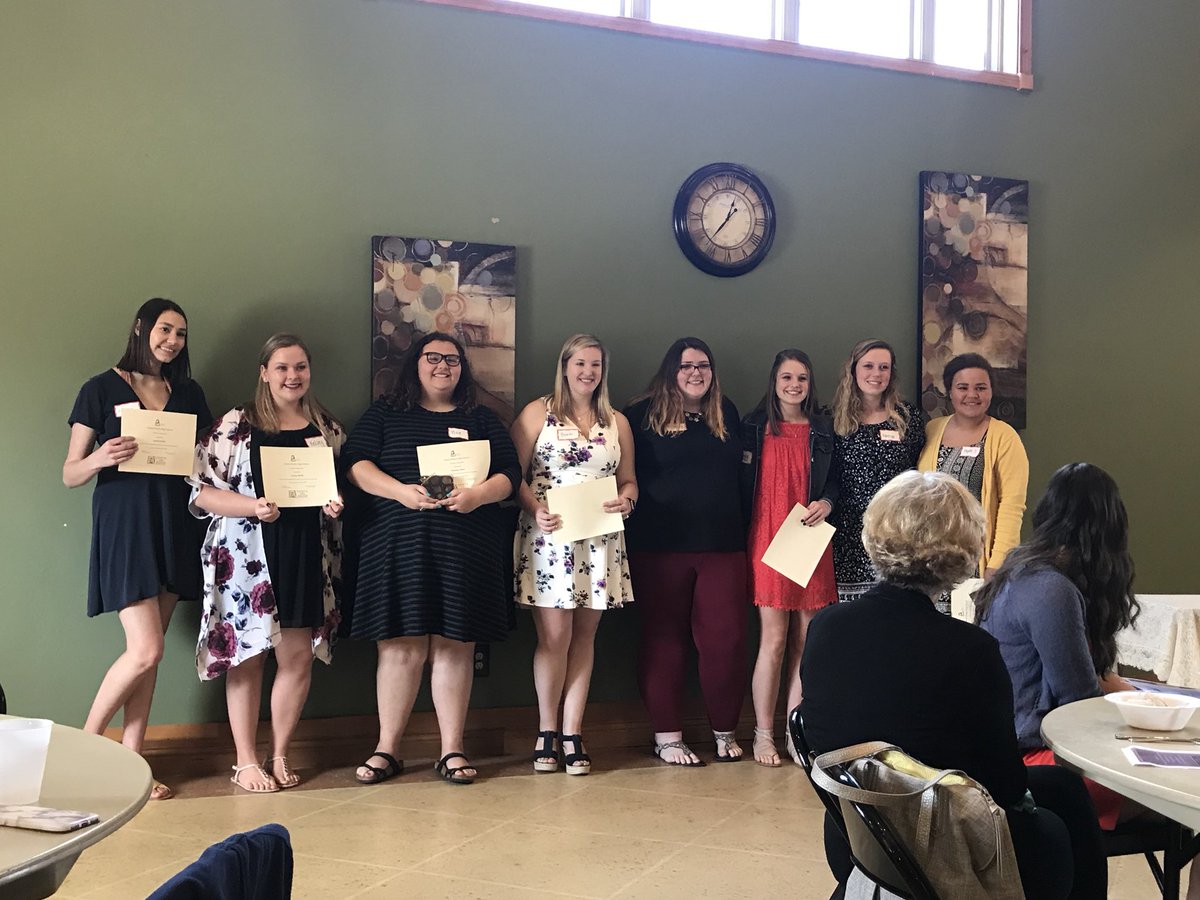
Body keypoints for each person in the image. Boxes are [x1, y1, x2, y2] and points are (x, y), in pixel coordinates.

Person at [801, 471, 1107, 900]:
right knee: (1057, 820)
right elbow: (1004, 786)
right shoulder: (970, 650)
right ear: (961, 550)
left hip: (858, 833)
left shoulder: (826, 627)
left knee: (1064, 789)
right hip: (948, 847)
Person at [343, 331, 520, 786]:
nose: (444, 366)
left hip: (464, 551)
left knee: (455, 646)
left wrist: (478, 494)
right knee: (399, 648)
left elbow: (510, 474)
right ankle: (388, 749)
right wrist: (400, 492)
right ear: (415, 364)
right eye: (433, 358)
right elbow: (356, 463)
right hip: (397, 547)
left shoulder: (480, 417)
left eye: (453, 360)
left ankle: (452, 750)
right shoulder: (386, 412)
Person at [64, 298, 212, 801]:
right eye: (165, 329)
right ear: (141, 328)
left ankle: (132, 766)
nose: (172, 340)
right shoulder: (99, 388)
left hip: (175, 525)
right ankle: (84, 752)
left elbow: (206, 459)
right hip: (125, 525)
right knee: (145, 650)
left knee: (147, 656)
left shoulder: (188, 391)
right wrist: (101, 455)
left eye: (182, 334)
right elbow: (69, 473)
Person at [190, 334, 344, 793]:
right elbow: (200, 491)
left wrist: (334, 505)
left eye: (300, 367)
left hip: (303, 551)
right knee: (247, 657)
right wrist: (251, 506)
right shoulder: (236, 425)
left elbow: (333, 487)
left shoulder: (325, 427)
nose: (292, 376)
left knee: (296, 658)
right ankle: (244, 760)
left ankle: (279, 753)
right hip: (246, 556)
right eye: (282, 367)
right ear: (264, 372)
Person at [512, 334, 637, 776]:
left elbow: (629, 481)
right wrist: (536, 509)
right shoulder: (536, 413)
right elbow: (513, 475)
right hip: (549, 539)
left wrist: (627, 501)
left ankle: (573, 731)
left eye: (596, 365)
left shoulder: (615, 421)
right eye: (580, 363)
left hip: (600, 542)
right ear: (564, 366)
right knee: (554, 638)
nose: (588, 372)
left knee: (585, 639)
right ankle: (546, 730)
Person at [624, 337, 747, 766]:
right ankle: (667, 736)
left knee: (725, 641)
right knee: (663, 640)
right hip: (659, 547)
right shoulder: (639, 415)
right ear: (670, 371)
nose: (696, 373)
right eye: (686, 366)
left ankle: (725, 729)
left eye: (704, 366)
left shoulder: (726, 412)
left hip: (724, 547)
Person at [741, 349, 838, 768]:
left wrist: (828, 503)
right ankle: (764, 734)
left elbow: (837, 481)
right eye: (786, 377)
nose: (794, 385)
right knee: (774, 640)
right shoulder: (753, 427)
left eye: (801, 377)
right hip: (768, 539)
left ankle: (795, 735)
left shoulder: (824, 428)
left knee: (807, 640)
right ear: (774, 381)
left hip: (811, 538)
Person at [918, 353, 1028, 582]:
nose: (972, 395)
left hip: (977, 563)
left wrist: (998, 564)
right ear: (950, 391)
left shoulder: (1005, 438)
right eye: (962, 387)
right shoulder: (932, 429)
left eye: (980, 388)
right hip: (930, 560)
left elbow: (1012, 506)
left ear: (990, 392)